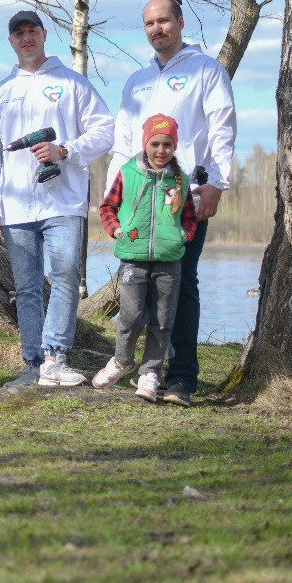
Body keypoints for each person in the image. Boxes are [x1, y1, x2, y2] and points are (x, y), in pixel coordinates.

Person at [106, 0, 236, 407]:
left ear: (180, 21)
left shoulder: (205, 70)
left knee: (182, 286)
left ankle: (181, 378)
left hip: (183, 197)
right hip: (138, 203)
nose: (157, 29)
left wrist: (217, 182)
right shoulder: (137, 81)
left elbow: (222, 127)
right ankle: (145, 371)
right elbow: (122, 143)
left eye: (164, 20)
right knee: (139, 291)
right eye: (149, 23)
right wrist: (114, 196)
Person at [0, 10, 114, 388]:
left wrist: (65, 150)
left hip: (63, 203)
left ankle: (56, 356)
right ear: (11, 41)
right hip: (16, 207)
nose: (26, 38)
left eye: (31, 31)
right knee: (26, 286)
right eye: (18, 33)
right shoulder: (0, 92)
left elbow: (105, 130)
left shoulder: (72, 83)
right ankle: (33, 364)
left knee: (67, 275)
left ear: (43, 34)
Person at [94, 114, 198, 402]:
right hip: (133, 258)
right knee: (131, 315)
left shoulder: (180, 180)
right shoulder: (128, 173)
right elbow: (107, 207)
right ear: (145, 144)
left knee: (162, 320)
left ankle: (150, 373)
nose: (161, 150)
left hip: (169, 261)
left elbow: (190, 218)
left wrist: (183, 236)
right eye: (155, 144)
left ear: (174, 147)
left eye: (167, 144)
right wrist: (117, 231)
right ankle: (122, 361)